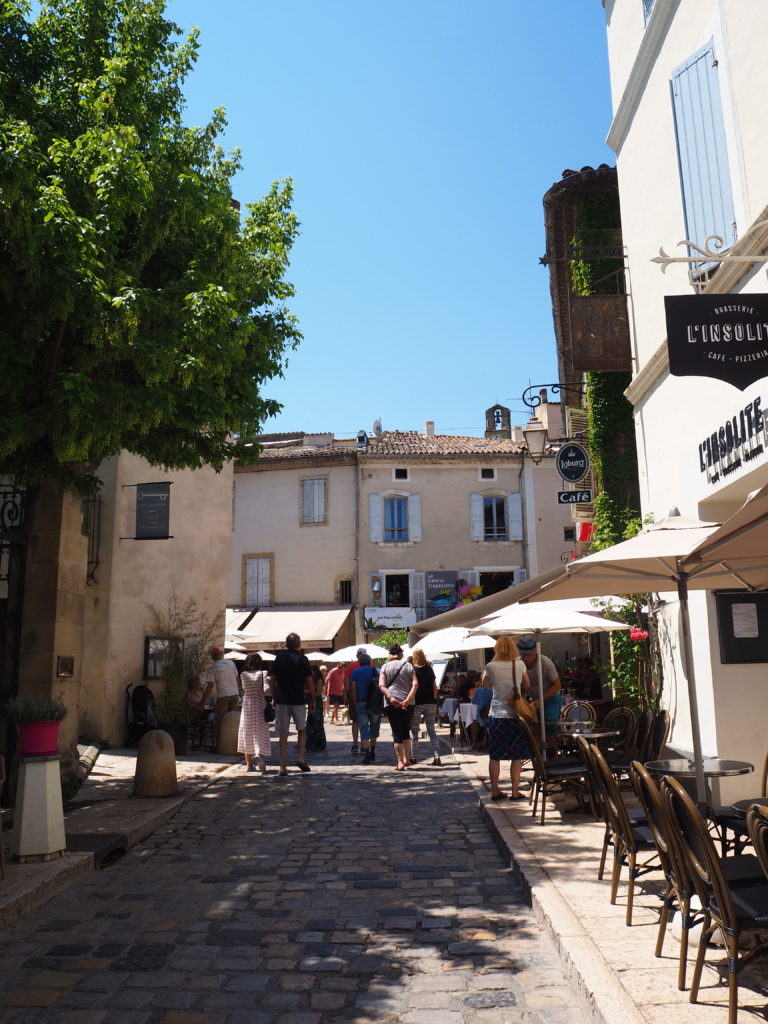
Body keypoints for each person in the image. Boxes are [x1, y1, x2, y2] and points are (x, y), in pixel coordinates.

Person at [481, 636, 532, 800]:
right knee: (516, 755)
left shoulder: (490, 666)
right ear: (513, 648)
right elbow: (527, 684)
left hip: (497, 714)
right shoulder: (519, 664)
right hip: (515, 715)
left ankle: (495, 790)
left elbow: (485, 684)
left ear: (496, 649)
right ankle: (515, 791)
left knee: (494, 755)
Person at [269, 633, 314, 776]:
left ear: (286, 644)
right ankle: (300, 758)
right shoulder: (303, 659)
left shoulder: (279, 658)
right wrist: (313, 699)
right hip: (298, 700)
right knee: (301, 730)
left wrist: (274, 697)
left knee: (283, 733)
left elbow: (272, 679)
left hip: (282, 700)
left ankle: (282, 767)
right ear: (298, 644)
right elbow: (309, 681)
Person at [517, 635, 562, 753]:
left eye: (529, 655)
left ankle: (552, 756)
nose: (526, 658)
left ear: (535, 652)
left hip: (551, 697)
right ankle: (538, 757)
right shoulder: (518, 663)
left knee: (549, 727)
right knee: (533, 727)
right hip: (534, 698)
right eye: (523, 655)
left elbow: (557, 685)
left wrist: (542, 700)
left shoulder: (545, 662)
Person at [378, 643, 418, 771]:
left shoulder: (385, 666)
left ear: (390, 655)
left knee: (396, 732)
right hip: (408, 703)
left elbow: (381, 686)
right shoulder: (408, 666)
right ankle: (407, 758)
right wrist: (408, 699)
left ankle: (400, 762)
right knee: (406, 729)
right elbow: (415, 684)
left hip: (392, 703)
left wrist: (390, 697)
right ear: (401, 654)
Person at [237, 653, 272, 772]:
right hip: (259, 705)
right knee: (259, 732)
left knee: (246, 733)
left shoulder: (243, 674)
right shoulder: (263, 673)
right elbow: (267, 690)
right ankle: (257, 754)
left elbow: (244, 689)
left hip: (247, 706)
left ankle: (249, 765)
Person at [199, 648, 241, 747]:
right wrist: (238, 692)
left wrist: (202, 703)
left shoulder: (213, 667)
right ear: (221, 655)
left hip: (223, 695)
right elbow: (237, 680)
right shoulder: (231, 663)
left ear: (212, 656)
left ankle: (220, 745)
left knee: (219, 721)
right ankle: (233, 745)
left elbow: (210, 686)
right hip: (234, 694)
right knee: (232, 721)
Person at [409, 648, 441, 766]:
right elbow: (435, 687)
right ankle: (437, 755)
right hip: (430, 703)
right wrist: (433, 697)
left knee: (414, 730)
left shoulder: (413, 670)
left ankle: (413, 756)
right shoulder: (429, 669)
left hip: (417, 703)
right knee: (431, 730)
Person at [349, 652, 381, 764]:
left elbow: (353, 689)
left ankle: (366, 753)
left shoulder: (355, 672)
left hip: (361, 703)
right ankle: (373, 751)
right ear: (370, 661)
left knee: (363, 728)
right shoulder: (377, 671)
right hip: (375, 704)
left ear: (359, 662)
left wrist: (355, 702)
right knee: (374, 727)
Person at [305, 665, 327, 752]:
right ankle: (311, 744)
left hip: (317, 703)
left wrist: (308, 692)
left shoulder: (319, 680)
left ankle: (319, 744)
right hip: (311, 703)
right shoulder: (311, 680)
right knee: (311, 724)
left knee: (317, 724)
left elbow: (318, 693)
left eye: (312, 672)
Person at [470, 675, 492, 751]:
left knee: (474, 719)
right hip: (495, 716)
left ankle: (474, 742)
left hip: (482, 716)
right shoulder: (497, 690)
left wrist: (476, 688)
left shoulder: (479, 691)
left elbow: (473, 701)